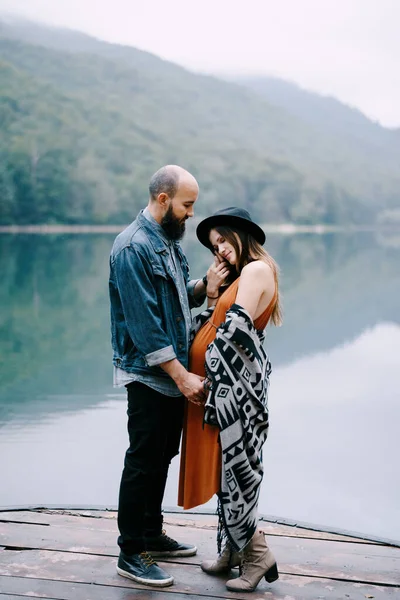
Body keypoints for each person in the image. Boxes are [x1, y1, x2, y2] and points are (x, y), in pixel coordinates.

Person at [109, 165, 209, 588]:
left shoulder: (166, 241)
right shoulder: (132, 247)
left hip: (172, 374)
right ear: (164, 199)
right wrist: (182, 376)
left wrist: (205, 284)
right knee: (143, 460)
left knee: (163, 454)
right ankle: (131, 551)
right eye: (187, 205)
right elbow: (145, 325)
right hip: (149, 375)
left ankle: (152, 531)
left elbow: (174, 296)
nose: (191, 215)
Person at [178, 207, 282, 593]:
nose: (219, 250)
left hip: (235, 391)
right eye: (214, 245)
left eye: (223, 241)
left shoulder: (257, 270)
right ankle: (233, 549)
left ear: (240, 235)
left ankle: (258, 556)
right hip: (223, 390)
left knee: (236, 468)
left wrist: (204, 378)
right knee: (226, 470)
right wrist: (214, 290)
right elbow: (214, 321)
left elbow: (235, 331)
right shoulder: (242, 276)